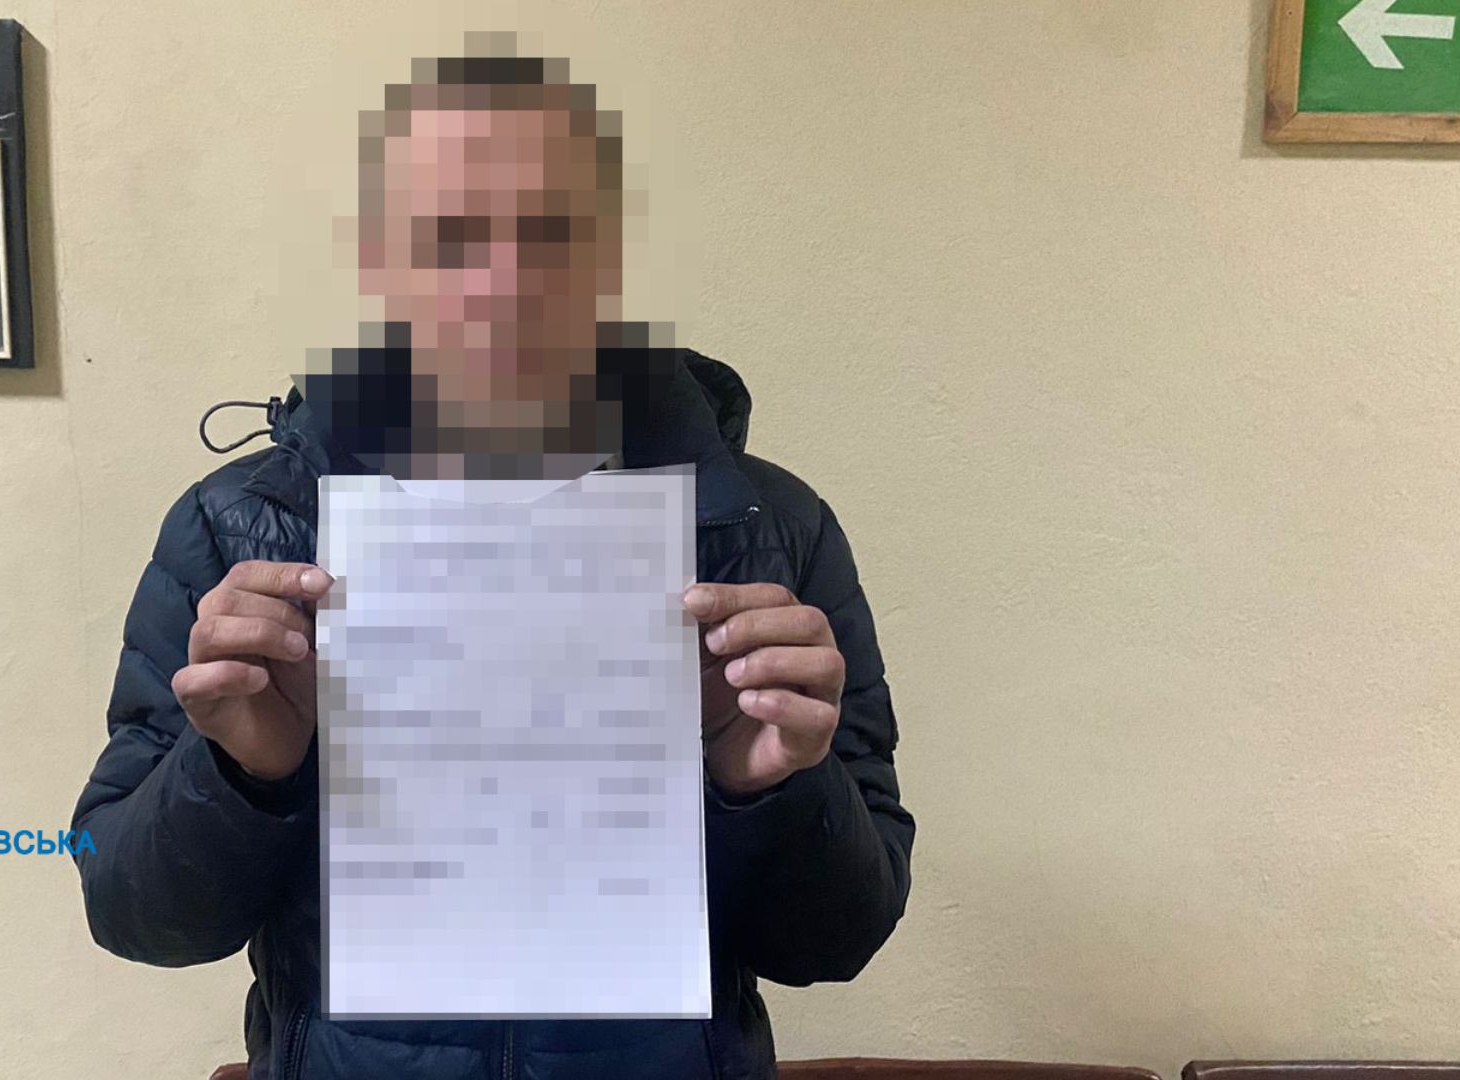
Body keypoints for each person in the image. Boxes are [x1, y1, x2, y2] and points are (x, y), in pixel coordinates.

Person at [72, 45, 914, 1080]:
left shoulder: (765, 530)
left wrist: (765, 787)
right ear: (382, 259)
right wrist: (245, 774)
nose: (505, 283)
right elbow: (128, 910)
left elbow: (840, 940)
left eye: (549, 232)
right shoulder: (243, 530)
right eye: (452, 237)